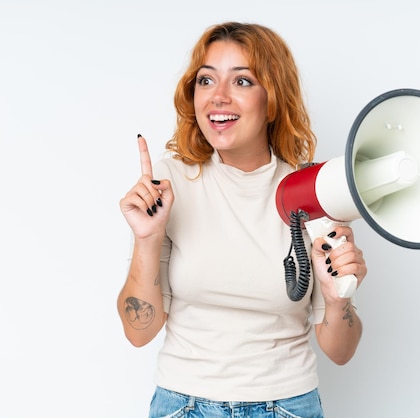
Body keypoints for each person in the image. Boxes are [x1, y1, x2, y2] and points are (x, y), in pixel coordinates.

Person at [117, 22, 367, 417]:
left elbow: (340, 351)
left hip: (286, 405)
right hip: (184, 405)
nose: (218, 97)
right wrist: (147, 237)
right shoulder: (169, 184)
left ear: (272, 100)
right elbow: (138, 331)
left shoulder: (311, 190)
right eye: (206, 80)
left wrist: (338, 301)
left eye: (242, 82)